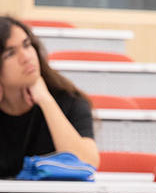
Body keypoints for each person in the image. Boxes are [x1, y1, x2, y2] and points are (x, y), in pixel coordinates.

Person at [0, 15, 99, 178]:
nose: (26, 57)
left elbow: (86, 164)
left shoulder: (70, 101)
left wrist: (46, 100)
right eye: (10, 53)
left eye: (27, 45)